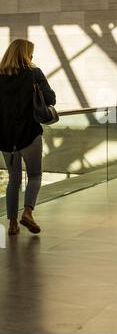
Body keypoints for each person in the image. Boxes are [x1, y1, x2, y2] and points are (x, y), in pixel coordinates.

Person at [0, 39, 56, 236]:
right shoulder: (34, 73)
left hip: (6, 137)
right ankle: (28, 213)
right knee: (34, 175)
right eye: (30, 53)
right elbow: (50, 99)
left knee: (13, 179)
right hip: (30, 134)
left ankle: (13, 224)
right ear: (26, 54)